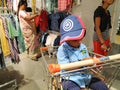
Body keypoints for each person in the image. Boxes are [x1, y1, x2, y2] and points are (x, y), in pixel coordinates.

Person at [57, 15, 108, 90]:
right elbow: (66, 67)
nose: (79, 41)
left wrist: (91, 61)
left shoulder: (83, 47)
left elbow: (86, 59)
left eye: (81, 38)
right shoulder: (62, 49)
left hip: (86, 76)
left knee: (102, 86)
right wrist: (82, 62)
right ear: (66, 39)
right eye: (75, 40)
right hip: (70, 79)